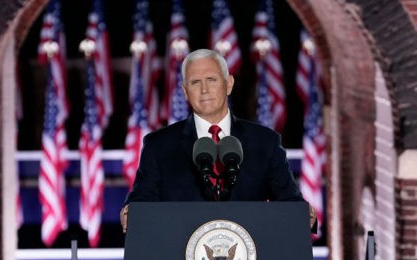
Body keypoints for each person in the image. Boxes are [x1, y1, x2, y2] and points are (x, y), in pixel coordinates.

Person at [120, 48, 316, 233]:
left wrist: (304, 214)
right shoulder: (159, 145)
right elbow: (142, 200)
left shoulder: (265, 142)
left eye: (211, 80)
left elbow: (288, 201)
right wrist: (131, 212)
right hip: (179, 256)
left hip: (250, 258)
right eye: (195, 82)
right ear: (185, 91)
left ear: (228, 84)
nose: (204, 89)